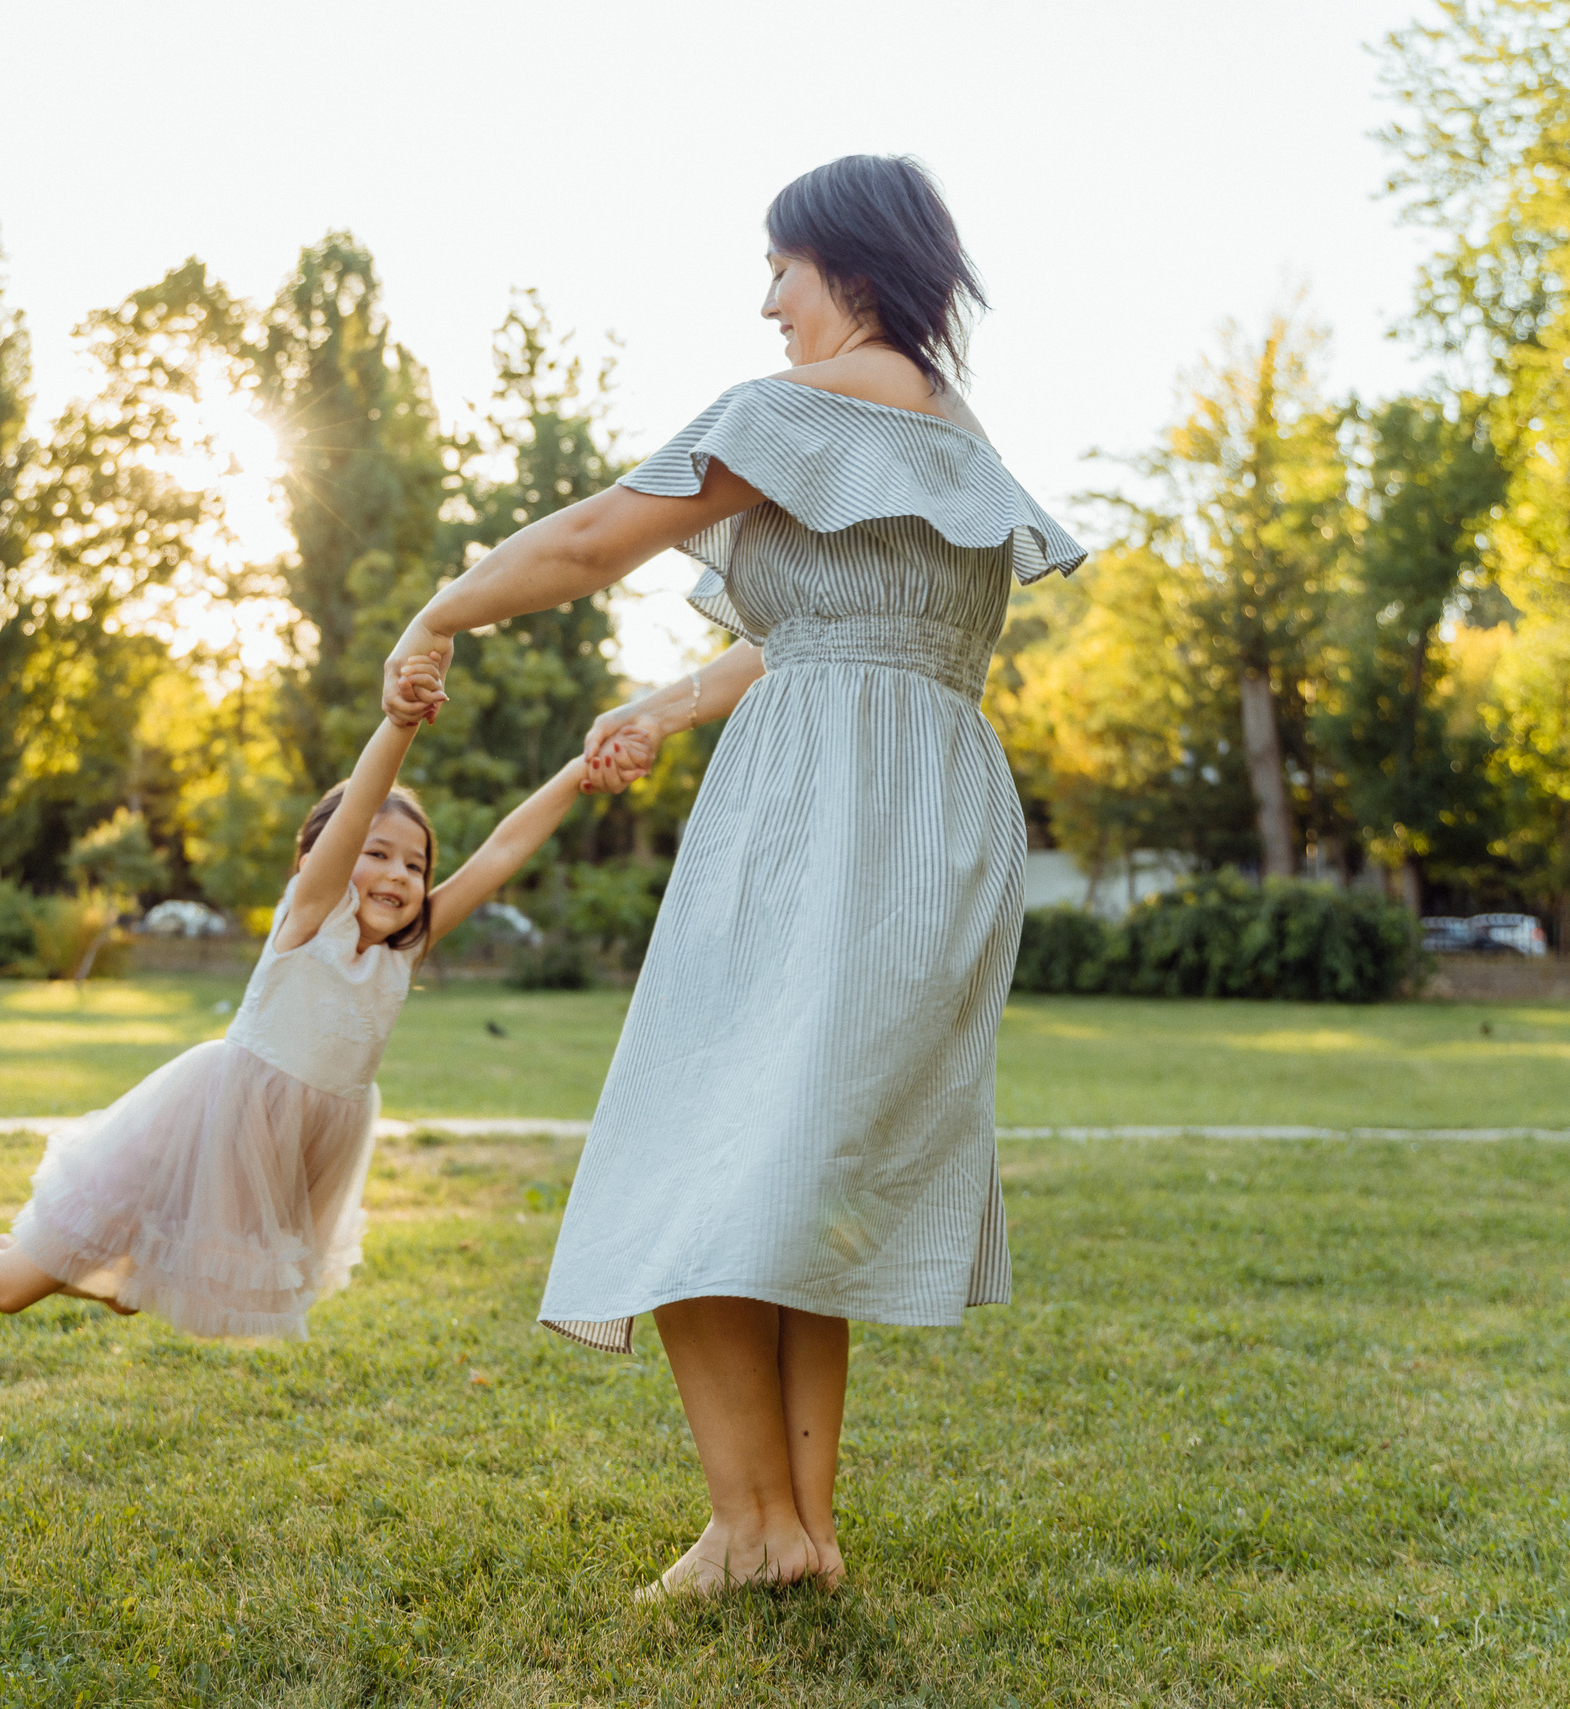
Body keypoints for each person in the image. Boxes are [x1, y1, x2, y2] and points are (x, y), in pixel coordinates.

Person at [383, 155, 1085, 1600]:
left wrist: (441, 608)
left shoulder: (792, 411)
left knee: (693, 1151)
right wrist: (666, 706)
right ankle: (790, 1532)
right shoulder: (951, 431)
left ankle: (754, 1526)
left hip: (813, 813)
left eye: (783, 268)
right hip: (926, 817)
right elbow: (832, 629)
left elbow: (588, 540)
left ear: (852, 265)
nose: (766, 302)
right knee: (794, 1167)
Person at [0, 659, 596, 1338]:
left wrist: (577, 771)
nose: (399, 875)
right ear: (322, 861)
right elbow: (361, 807)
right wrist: (399, 722)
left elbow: (499, 852)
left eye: (415, 864)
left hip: (295, 1142)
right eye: (377, 853)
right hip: (212, 1118)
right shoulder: (308, 921)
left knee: (126, 1293)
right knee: (13, 1289)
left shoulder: (405, 953)